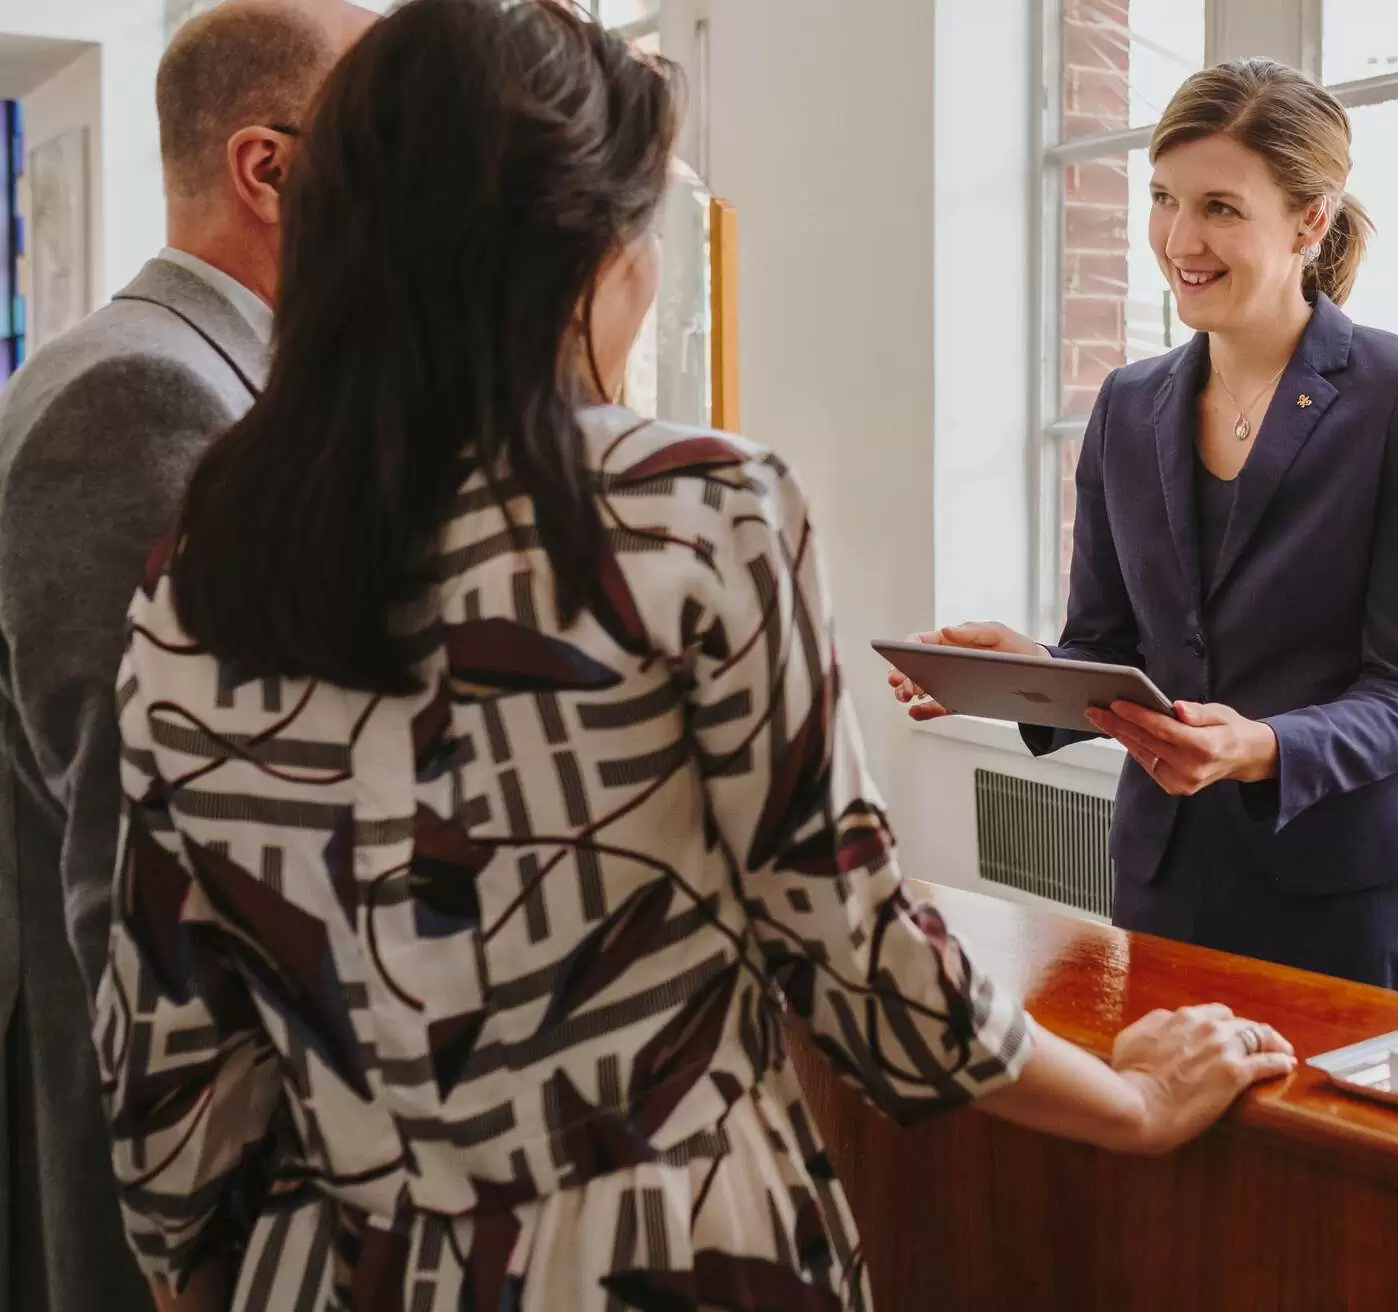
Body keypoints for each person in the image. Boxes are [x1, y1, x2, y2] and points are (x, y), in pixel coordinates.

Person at [90, 4, 1294, 1309]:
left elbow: (172, 1044)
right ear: (581, 249)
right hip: (662, 1258)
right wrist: (1129, 1102)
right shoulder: (688, 507)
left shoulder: (210, 550)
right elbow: (851, 948)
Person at [889, 60, 1398, 999]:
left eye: (1219, 207)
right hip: (1165, 889)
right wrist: (1024, 674)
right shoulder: (1127, 406)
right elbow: (1110, 648)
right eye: (1163, 198)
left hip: (1346, 904)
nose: (1178, 239)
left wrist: (1261, 748)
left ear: (1311, 220)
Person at [0, 3, 373, 1309]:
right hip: (135, 1153)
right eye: (371, 138)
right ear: (266, 171)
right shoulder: (140, 395)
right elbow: (135, 849)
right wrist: (189, 1231)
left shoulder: (224, 384)